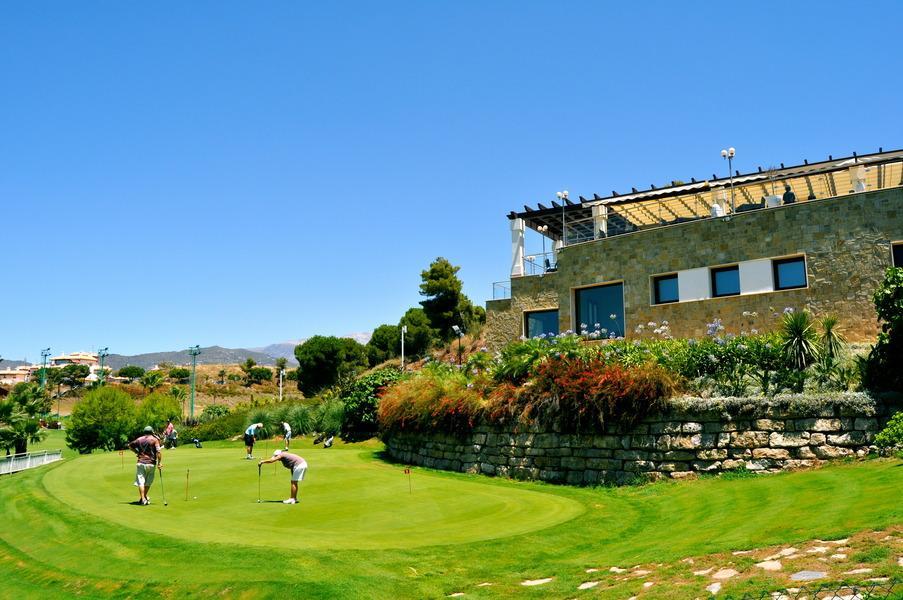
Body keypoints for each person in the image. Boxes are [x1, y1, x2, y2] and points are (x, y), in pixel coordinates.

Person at [128, 426, 162, 506]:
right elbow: (158, 452)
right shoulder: (154, 440)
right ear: (152, 432)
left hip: (141, 462)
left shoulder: (139, 439)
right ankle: (143, 499)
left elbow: (130, 446)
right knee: (148, 482)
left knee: (141, 481)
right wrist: (159, 463)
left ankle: (143, 499)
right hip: (151, 463)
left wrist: (136, 452)